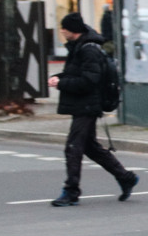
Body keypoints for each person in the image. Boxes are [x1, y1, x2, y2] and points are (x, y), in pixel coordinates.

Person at [47, 12, 138, 207]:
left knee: (73, 148)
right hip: (84, 104)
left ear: (73, 30)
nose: (62, 31)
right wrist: (60, 78)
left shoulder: (88, 50)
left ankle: (71, 191)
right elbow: (79, 74)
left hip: (87, 105)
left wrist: (62, 83)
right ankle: (125, 177)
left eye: (64, 28)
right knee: (90, 147)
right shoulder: (80, 47)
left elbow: (89, 81)